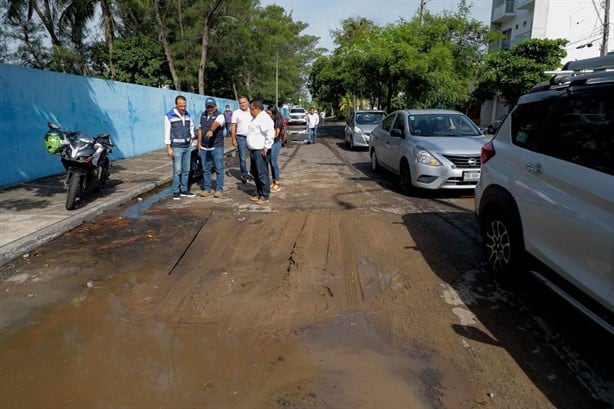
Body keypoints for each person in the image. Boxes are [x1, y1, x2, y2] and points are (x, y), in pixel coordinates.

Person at [164, 95, 195, 200]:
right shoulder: (169, 116)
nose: (183, 108)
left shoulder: (187, 114)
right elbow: (167, 132)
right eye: (181, 106)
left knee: (186, 169)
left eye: (184, 106)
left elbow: (191, 126)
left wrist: (192, 137)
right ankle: (176, 191)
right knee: (177, 170)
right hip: (176, 147)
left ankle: (184, 190)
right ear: (176, 105)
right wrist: (168, 147)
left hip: (187, 146)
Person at [246, 100, 275, 205]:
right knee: (255, 173)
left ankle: (264, 196)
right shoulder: (256, 119)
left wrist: (266, 147)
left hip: (260, 151)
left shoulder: (264, 118)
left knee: (262, 173)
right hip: (254, 150)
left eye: (251, 109)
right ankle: (259, 193)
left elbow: (270, 134)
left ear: (257, 109)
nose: (250, 111)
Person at [198, 97, 225, 198]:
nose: (209, 109)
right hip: (205, 147)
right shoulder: (203, 115)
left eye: (211, 107)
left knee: (219, 168)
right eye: (208, 107)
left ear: (215, 106)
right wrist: (199, 144)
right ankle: (207, 189)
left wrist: (211, 130)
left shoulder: (220, 115)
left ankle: (218, 189)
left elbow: (216, 124)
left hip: (216, 146)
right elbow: (200, 129)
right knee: (205, 169)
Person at [231, 96, 252, 183]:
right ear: (239, 103)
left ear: (247, 102)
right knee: (242, 157)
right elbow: (233, 126)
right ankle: (244, 174)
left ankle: (252, 173)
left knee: (253, 157)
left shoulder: (252, 112)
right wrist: (233, 139)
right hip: (241, 138)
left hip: (252, 137)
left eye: (244, 102)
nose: (242, 104)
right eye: (241, 103)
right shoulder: (236, 113)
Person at [266, 105, 283, 192]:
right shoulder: (268, 120)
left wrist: (267, 138)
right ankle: (273, 181)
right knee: (270, 162)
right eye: (267, 113)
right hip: (270, 143)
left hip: (275, 143)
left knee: (274, 162)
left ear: (273, 113)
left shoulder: (277, 120)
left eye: (269, 113)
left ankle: (277, 183)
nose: (267, 114)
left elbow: (276, 134)